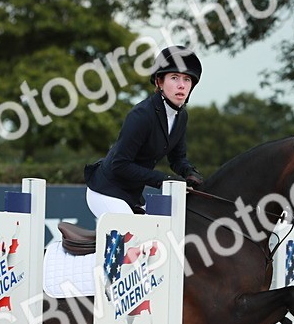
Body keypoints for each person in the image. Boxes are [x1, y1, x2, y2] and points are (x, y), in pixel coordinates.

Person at [84, 45, 205, 218]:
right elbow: (119, 164)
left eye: (187, 79)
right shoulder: (142, 114)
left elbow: (177, 159)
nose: (181, 85)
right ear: (159, 82)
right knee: (133, 239)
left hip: (132, 195)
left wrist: (189, 172)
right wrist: (164, 180)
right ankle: (61, 247)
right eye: (174, 77)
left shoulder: (181, 117)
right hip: (105, 191)